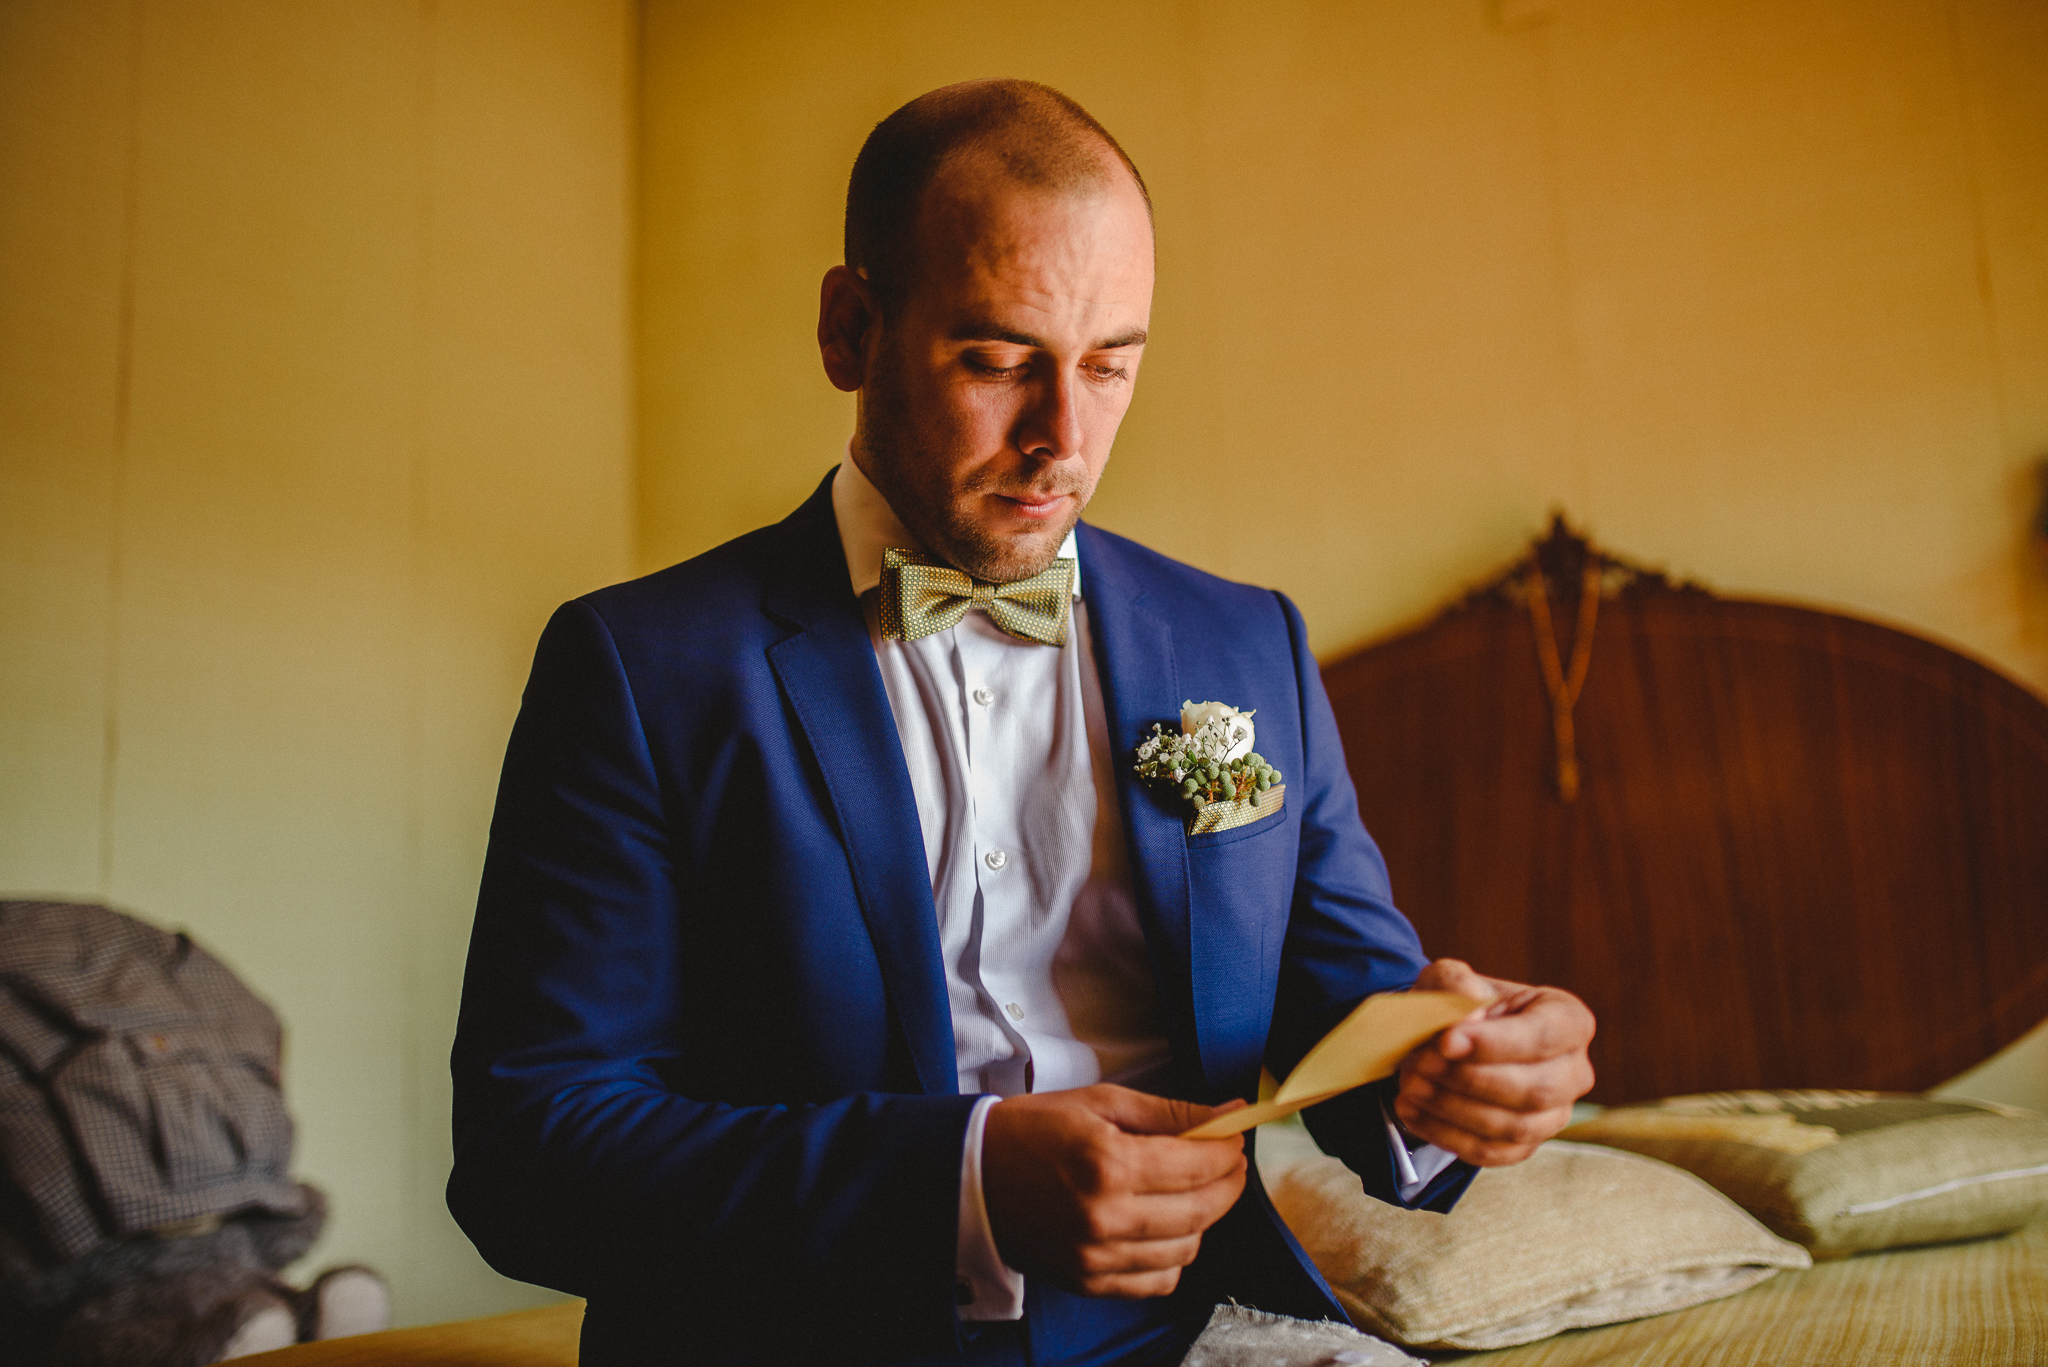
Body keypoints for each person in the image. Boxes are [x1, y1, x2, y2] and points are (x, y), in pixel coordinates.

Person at [449, 79, 1595, 1367]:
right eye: (997, 361)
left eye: (1111, 364)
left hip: (1196, 1335)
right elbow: (529, 1154)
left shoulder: (1242, 641)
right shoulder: (639, 666)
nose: (1065, 440)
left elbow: (1348, 1007)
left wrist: (1453, 1073)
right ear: (850, 328)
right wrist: (965, 1185)